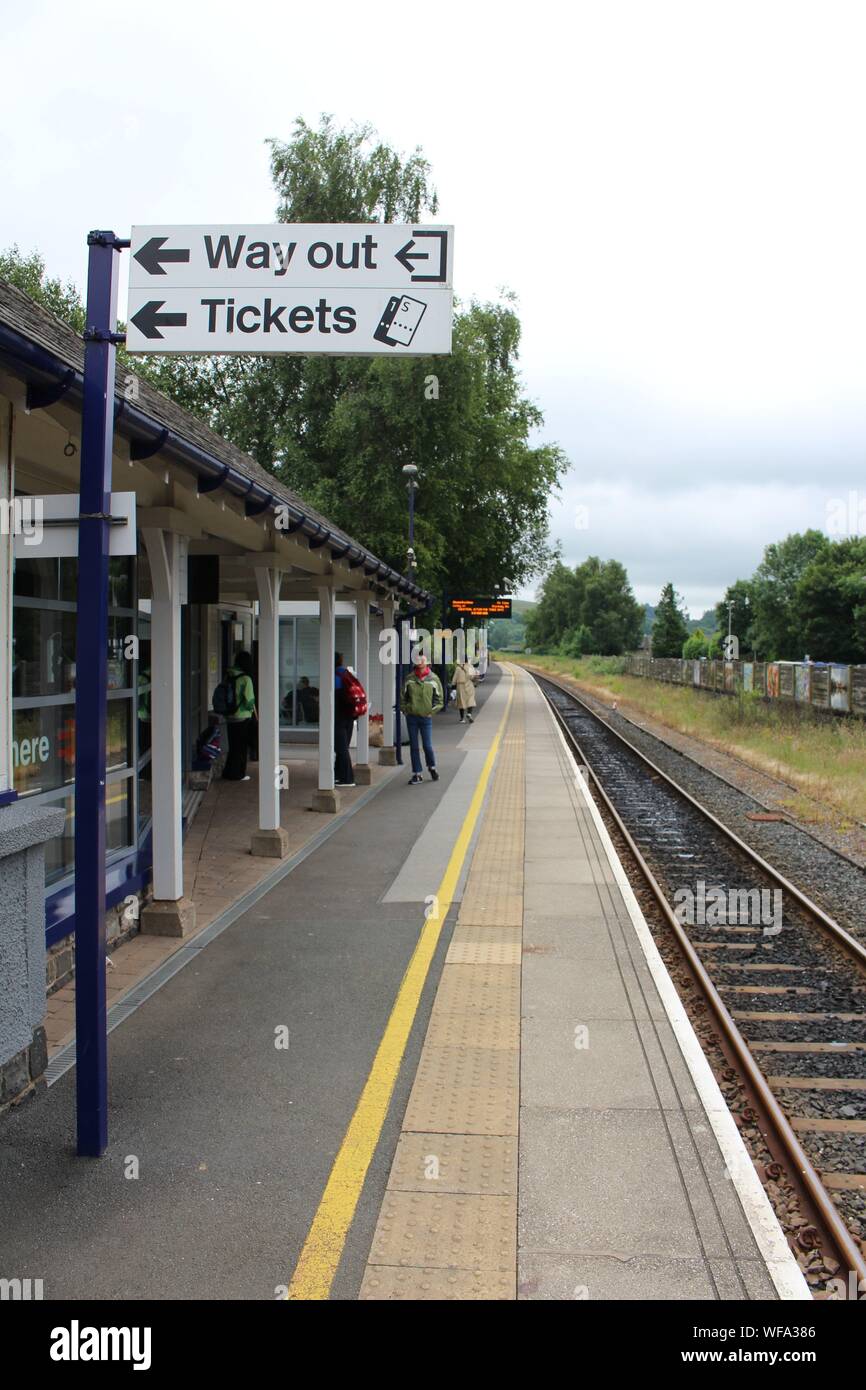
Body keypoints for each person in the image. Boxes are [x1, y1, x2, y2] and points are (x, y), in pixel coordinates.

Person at [400, 655, 444, 785]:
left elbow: (439, 700)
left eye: (423, 660)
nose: (420, 662)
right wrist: (406, 709)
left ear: (427, 663)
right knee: (414, 746)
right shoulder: (409, 679)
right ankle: (417, 773)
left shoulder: (434, 679)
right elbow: (403, 697)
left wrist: (431, 711)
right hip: (412, 717)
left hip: (426, 718)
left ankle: (432, 767)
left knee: (427, 745)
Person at [221, 650, 257, 781]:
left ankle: (228, 772)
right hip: (242, 716)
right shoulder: (246, 679)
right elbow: (249, 701)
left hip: (229, 716)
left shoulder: (229, 675)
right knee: (241, 747)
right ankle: (238, 774)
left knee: (233, 746)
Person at [334, 652, 355, 787]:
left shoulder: (335, 676)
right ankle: (338, 774)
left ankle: (347, 778)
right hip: (349, 715)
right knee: (343, 747)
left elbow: (333, 695)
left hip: (339, 716)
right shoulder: (347, 674)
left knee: (341, 748)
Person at [453, 658, 479, 723]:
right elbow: (473, 677)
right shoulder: (470, 667)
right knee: (470, 700)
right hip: (469, 685)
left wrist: (453, 685)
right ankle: (469, 713)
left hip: (460, 686)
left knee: (461, 702)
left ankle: (462, 719)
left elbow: (454, 678)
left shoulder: (458, 668)